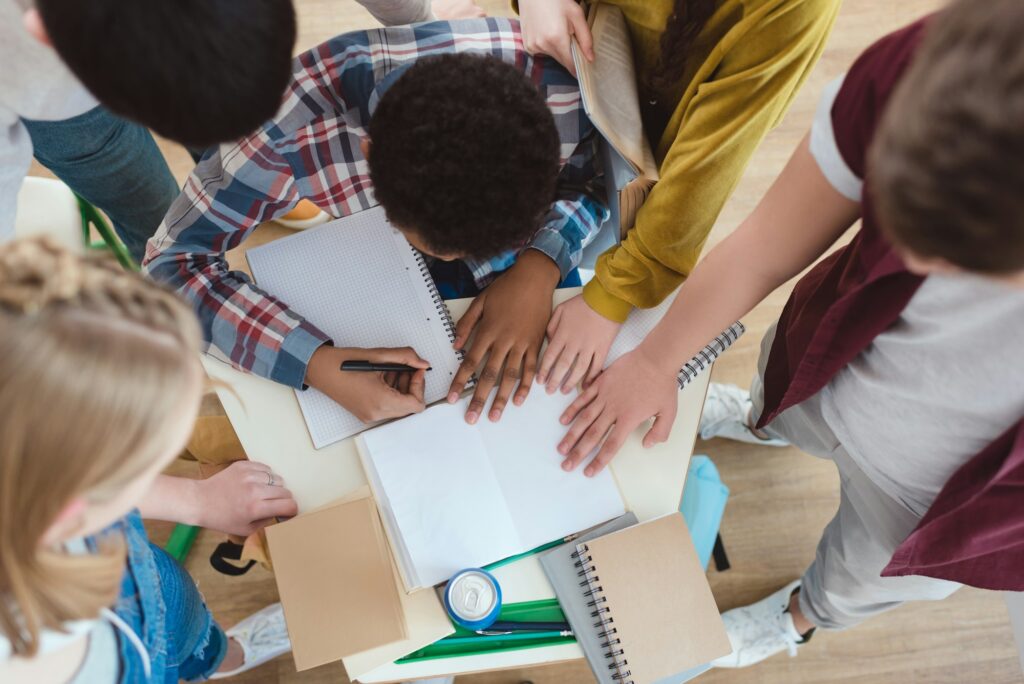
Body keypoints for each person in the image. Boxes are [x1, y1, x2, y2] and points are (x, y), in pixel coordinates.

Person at [556, 0, 1024, 668]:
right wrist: (658, 360)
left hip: (943, 505)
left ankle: (798, 618)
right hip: (830, 364)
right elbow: (765, 246)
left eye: (959, 262)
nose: (910, 265)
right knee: (777, 399)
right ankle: (761, 423)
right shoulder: (938, 69)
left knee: (859, 575)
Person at [144, 18, 608, 427]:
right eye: (439, 245)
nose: (452, 259)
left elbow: (590, 185)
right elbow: (170, 267)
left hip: (527, 267)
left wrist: (538, 265)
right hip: (376, 280)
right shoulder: (283, 133)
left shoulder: (565, 84)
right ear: (371, 157)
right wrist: (314, 363)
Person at [0, 238, 294, 682]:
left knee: (193, 634)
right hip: (132, 661)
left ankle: (220, 655)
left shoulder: (36, 476)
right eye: (145, 470)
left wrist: (196, 500)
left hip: (142, 581)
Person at [513, 0, 840, 394]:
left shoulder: (793, 10)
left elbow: (706, 167)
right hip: (569, 80)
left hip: (656, 151)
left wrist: (613, 295)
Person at [0, 0, 298, 263]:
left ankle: (249, 188)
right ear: (41, 31)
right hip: (61, 115)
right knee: (159, 223)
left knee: (234, 145)